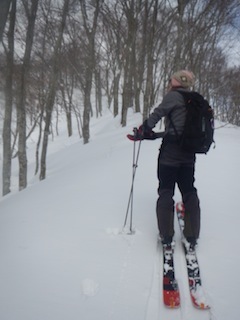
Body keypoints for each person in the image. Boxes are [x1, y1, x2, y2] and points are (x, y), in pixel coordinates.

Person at [139, 70, 200, 249]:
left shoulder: (173, 96)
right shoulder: (194, 99)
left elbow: (158, 114)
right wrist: (157, 135)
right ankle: (192, 235)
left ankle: (166, 235)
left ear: (176, 81)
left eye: (170, 79)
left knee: (166, 190)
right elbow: (180, 128)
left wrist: (144, 129)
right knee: (188, 189)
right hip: (189, 152)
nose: (169, 81)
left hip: (170, 152)